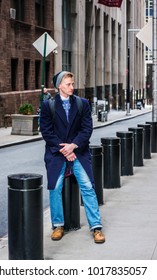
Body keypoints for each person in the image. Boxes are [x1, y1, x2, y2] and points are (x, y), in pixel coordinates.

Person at [40, 71, 105, 244]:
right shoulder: (48, 106)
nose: (72, 87)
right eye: (68, 84)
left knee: (88, 187)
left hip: (79, 152)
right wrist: (64, 149)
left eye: (73, 83)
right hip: (57, 153)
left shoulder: (82, 104)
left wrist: (73, 146)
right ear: (59, 85)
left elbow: (87, 129)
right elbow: (46, 131)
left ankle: (96, 227)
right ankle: (58, 225)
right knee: (55, 188)